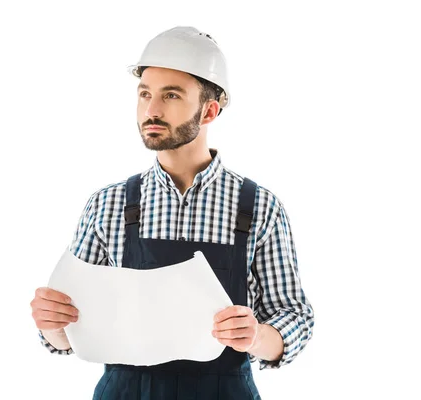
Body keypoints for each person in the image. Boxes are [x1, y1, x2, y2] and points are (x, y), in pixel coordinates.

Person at [30, 26, 314, 399]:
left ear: (209, 110)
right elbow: (66, 335)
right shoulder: (107, 205)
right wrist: (52, 324)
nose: (151, 110)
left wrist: (257, 336)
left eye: (171, 96)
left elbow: (295, 318)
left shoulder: (260, 207)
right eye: (145, 94)